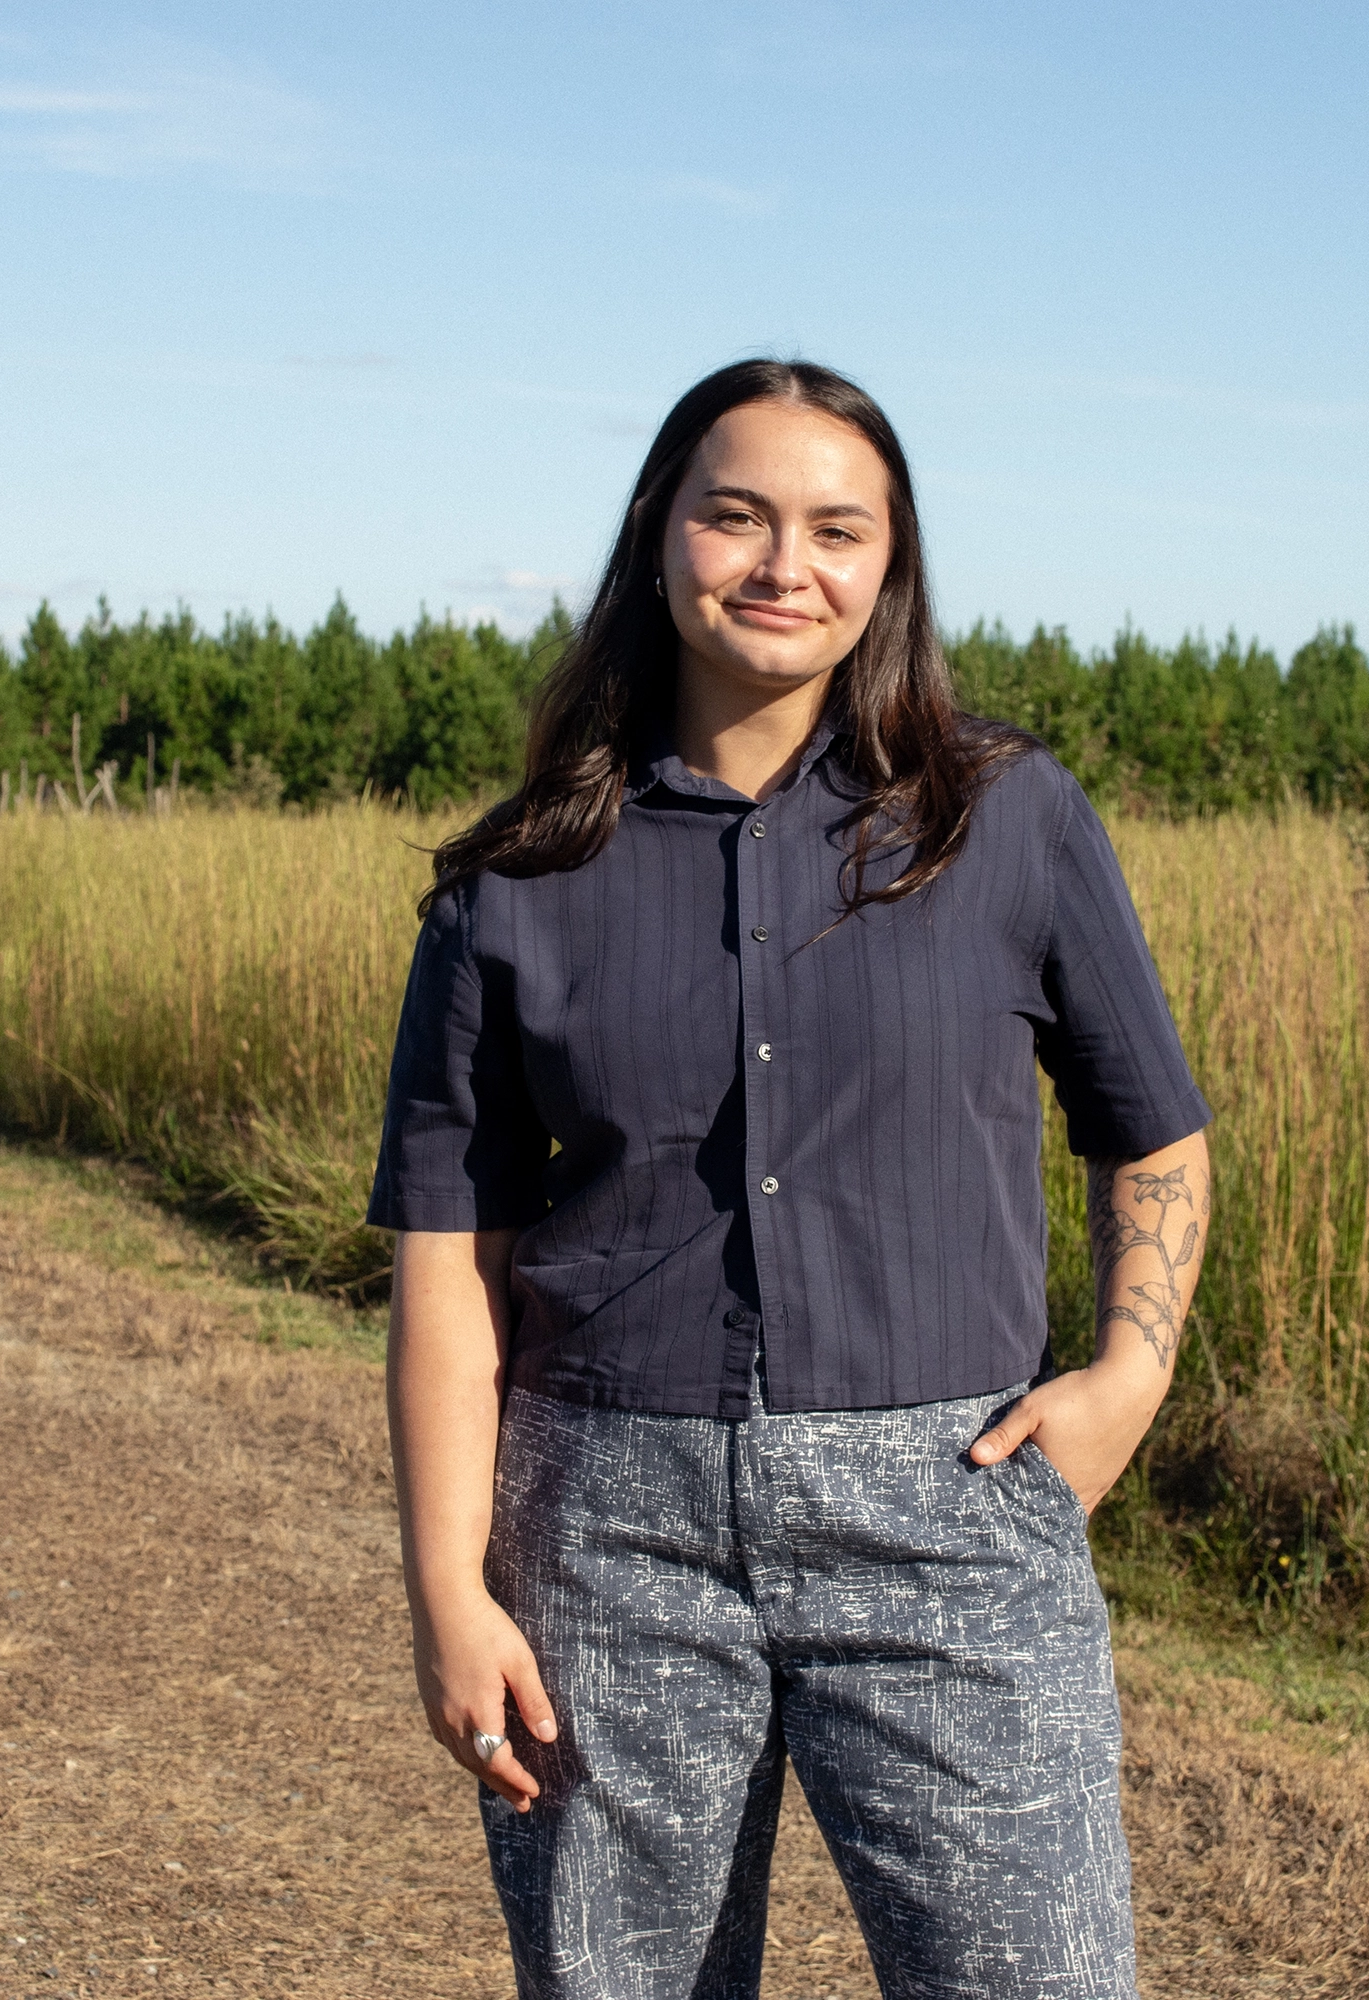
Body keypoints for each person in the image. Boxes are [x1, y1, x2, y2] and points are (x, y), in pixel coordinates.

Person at [368, 358, 1212, 2000]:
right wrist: (447, 1590)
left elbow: (1153, 1133)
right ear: (659, 532)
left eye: (839, 528)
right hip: (606, 1528)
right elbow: (448, 1268)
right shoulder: (518, 878)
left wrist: (1131, 1371)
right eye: (735, 514)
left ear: (890, 567)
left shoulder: (1005, 818)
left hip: (952, 1510)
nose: (783, 564)